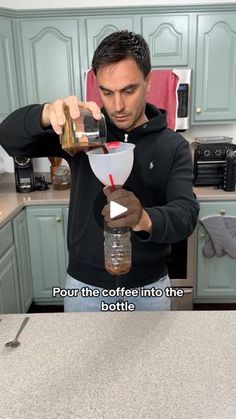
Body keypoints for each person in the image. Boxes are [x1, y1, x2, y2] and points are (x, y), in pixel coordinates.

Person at [0, 30, 199, 312]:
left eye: (128, 90)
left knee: (152, 358)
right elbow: (8, 138)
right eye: (107, 92)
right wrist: (45, 114)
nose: (117, 106)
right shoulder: (84, 133)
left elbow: (186, 214)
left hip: (149, 288)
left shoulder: (173, 145)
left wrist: (144, 218)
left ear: (149, 82)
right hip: (85, 286)